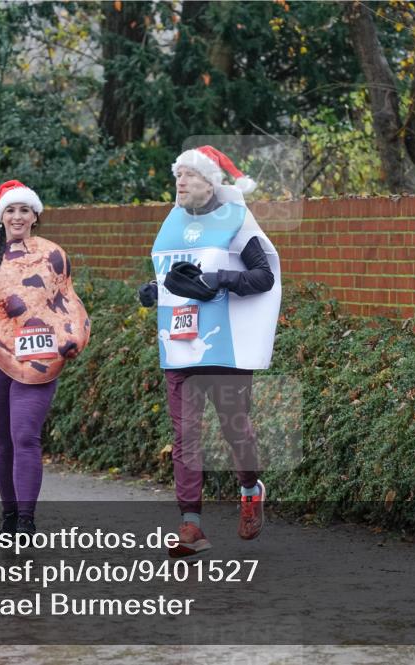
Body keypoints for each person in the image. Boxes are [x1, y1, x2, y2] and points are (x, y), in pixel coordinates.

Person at [138, 146, 281, 558]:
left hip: (225, 345)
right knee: (186, 436)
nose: (180, 182)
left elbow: (264, 277)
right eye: (177, 175)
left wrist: (219, 279)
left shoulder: (236, 219)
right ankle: (191, 525)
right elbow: (170, 277)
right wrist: (153, 292)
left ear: (211, 181)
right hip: (179, 345)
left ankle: (251, 490)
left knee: (235, 429)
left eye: (190, 175)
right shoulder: (172, 223)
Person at [0, 180, 90, 535]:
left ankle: (27, 520)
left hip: (38, 357)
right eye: (10, 210)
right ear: (0, 217)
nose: (17, 216)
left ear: (35, 215)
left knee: (26, 435)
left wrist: (74, 337)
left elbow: (67, 304)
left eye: (24, 210)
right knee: (2, 441)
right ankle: (9, 514)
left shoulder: (53, 255)